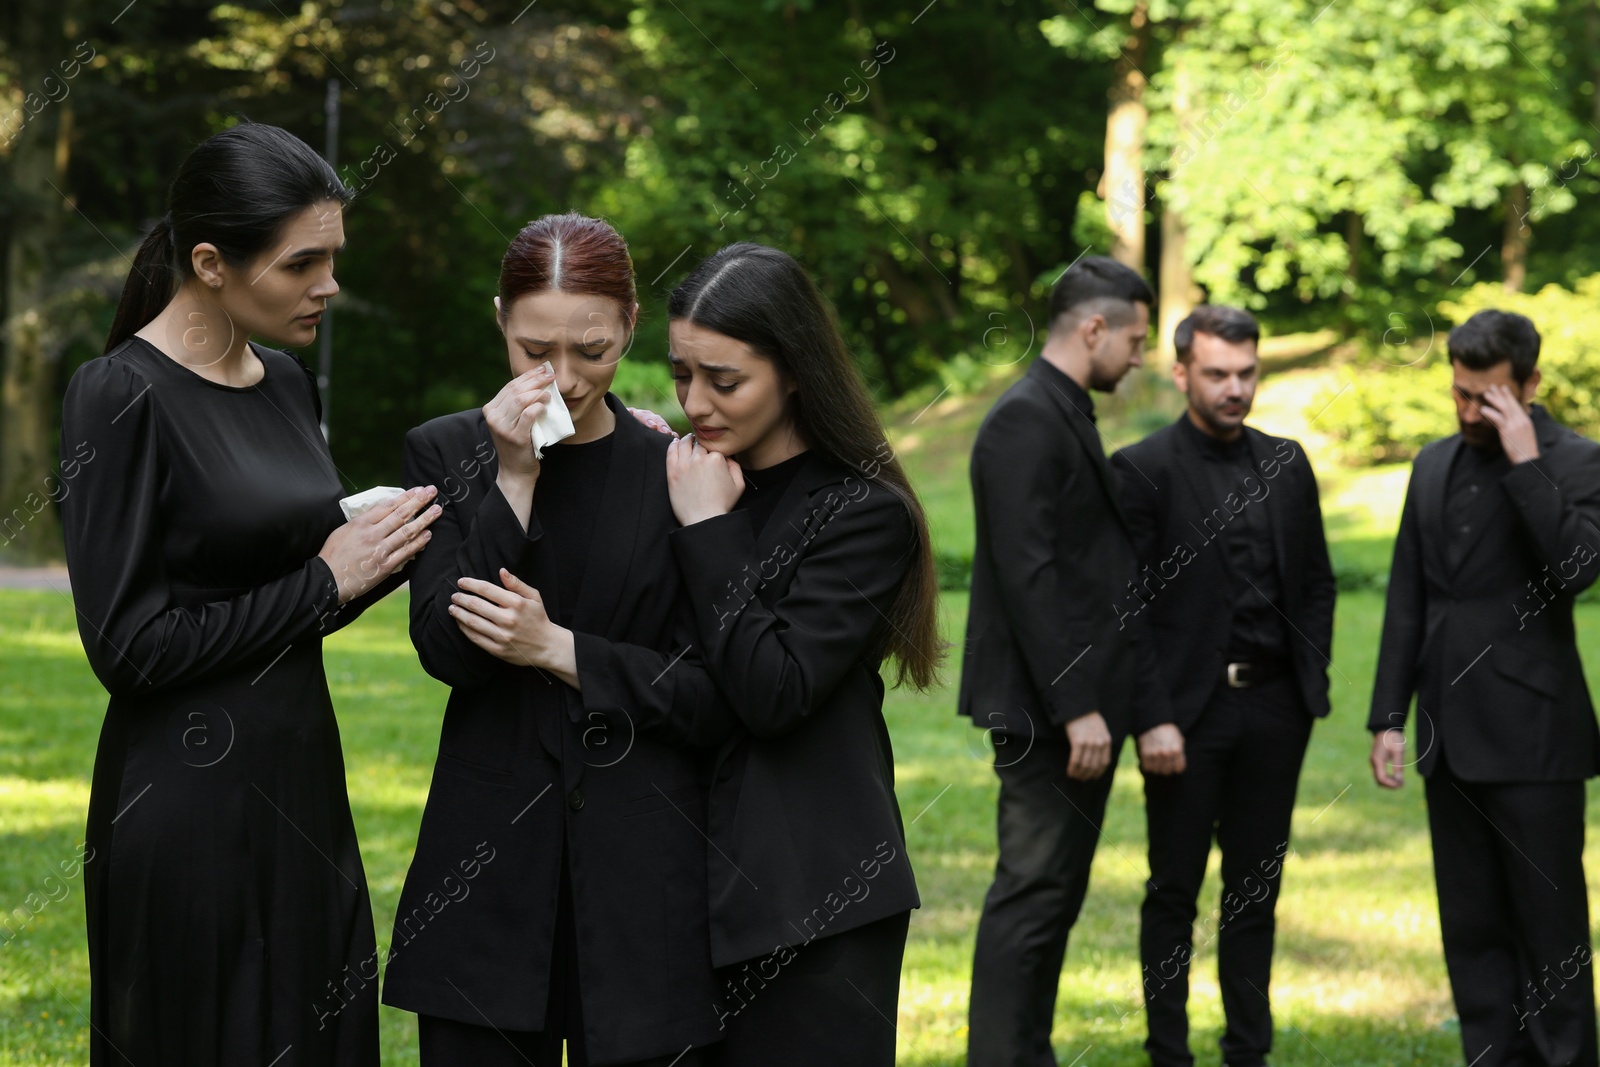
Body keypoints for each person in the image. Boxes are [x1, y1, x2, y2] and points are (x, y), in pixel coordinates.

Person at [59, 122, 440, 1066]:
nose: (330, 285)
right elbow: (128, 647)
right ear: (209, 262)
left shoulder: (285, 382)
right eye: (301, 263)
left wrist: (384, 552)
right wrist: (325, 578)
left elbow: (302, 594)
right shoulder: (116, 395)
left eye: (334, 258)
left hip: (303, 777)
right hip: (184, 802)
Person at [379, 213, 726, 1066]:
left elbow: (707, 691)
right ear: (500, 319)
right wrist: (512, 477)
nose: (564, 379)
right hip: (485, 877)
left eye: (593, 351)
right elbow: (449, 650)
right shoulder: (445, 448)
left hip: (645, 882)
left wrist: (558, 648)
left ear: (632, 327)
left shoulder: (676, 468)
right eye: (535, 350)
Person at [656, 242, 942, 1066]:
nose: (696, 402)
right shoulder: (681, 478)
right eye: (681, 375)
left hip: (815, 898)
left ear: (793, 370)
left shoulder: (864, 514)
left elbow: (773, 689)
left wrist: (709, 532)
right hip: (680, 890)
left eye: (724, 379)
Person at [962, 254, 1177, 1067]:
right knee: (1031, 896)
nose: (1140, 356)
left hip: (1073, 704)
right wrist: (1076, 702)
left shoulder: (1064, 410)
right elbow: (1029, 573)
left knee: (1054, 897)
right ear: (1094, 328)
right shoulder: (1025, 418)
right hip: (1046, 707)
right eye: (1136, 339)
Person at [1370, 309, 1600, 1067]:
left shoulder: (1576, 461)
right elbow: (1410, 594)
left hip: (1537, 741)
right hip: (1447, 736)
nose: (1470, 412)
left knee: (1552, 934)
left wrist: (1525, 459)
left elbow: (1577, 570)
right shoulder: (1432, 463)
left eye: (1488, 397)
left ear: (1530, 385)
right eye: (1460, 394)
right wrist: (1386, 717)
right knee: (1472, 934)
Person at [1111, 305, 1335, 1067]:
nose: (1234, 388)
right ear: (1181, 374)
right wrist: (1152, 718)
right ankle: (1167, 1053)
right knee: (1173, 891)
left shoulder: (1287, 461)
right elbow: (1126, 608)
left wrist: (1310, 681)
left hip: (1276, 709)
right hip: (1184, 717)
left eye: (1246, 373)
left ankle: (1249, 1052)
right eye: (1216, 373)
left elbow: (1316, 586)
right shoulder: (1142, 468)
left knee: (1255, 894)